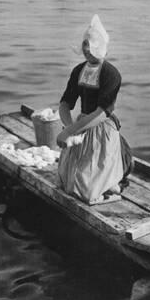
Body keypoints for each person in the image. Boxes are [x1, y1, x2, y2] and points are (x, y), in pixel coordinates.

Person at [57, 14, 133, 205]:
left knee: (87, 194)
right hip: (80, 127)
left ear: (102, 48)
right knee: (66, 184)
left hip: (101, 128)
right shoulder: (78, 70)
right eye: (85, 45)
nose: (87, 51)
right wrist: (69, 128)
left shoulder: (111, 74)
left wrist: (71, 131)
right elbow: (65, 103)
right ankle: (108, 180)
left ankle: (115, 180)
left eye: (91, 46)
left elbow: (101, 113)